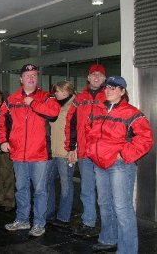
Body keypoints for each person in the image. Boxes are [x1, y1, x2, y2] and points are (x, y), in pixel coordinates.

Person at [85, 76, 153, 253]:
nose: (109, 90)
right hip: (100, 164)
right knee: (105, 204)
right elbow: (89, 132)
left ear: (122, 92)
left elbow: (145, 139)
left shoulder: (132, 113)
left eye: (114, 88)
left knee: (122, 208)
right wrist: (91, 151)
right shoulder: (97, 110)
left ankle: (127, 250)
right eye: (107, 87)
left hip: (119, 166)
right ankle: (108, 238)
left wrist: (124, 154)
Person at [0, 64, 60, 237]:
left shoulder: (46, 97)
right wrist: (3, 140)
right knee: (22, 188)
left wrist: (33, 103)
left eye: (34, 75)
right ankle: (22, 220)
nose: (31, 78)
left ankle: (39, 223)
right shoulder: (11, 100)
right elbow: (2, 122)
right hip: (18, 153)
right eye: (27, 75)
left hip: (40, 153)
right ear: (21, 79)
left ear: (37, 78)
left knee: (40, 190)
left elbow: (54, 113)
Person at [65, 64, 106, 237]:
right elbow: (71, 124)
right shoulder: (79, 98)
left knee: (105, 193)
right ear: (88, 78)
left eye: (100, 75)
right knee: (87, 189)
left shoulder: (111, 96)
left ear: (104, 78)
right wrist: (71, 147)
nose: (96, 77)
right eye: (93, 74)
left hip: (104, 153)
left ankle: (107, 227)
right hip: (84, 152)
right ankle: (89, 222)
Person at [46, 81, 76, 228]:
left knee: (66, 185)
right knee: (47, 181)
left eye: (58, 91)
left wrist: (73, 150)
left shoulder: (73, 106)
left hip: (65, 152)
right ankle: (49, 212)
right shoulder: (57, 105)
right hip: (53, 151)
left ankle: (64, 217)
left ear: (66, 91)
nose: (55, 94)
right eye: (55, 91)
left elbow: (76, 129)